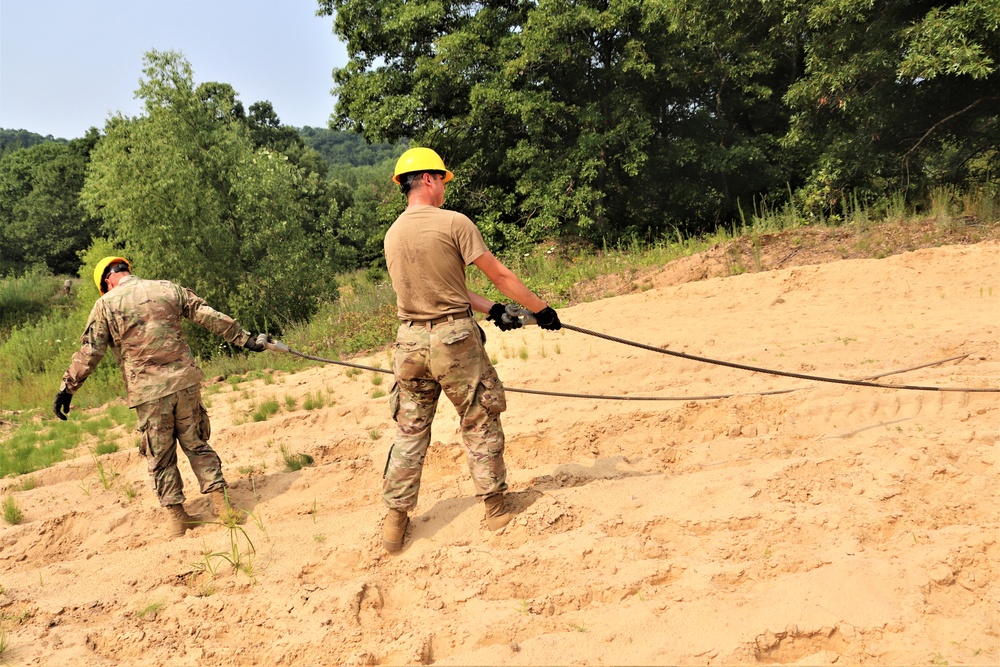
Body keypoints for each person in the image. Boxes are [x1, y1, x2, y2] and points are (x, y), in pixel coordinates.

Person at [380, 147, 562, 553]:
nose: (444, 186)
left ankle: (395, 523)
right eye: (442, 178)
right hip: (453, 342)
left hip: (409, 343)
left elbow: (447, 287)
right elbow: (499, 273)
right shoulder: (454, 223)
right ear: (428, 179)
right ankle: (496, 508)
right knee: (479, 418)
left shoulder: (393, 234)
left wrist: (494, 310)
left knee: (409, 432)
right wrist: (541, 310)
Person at [53, 256, 267, 538]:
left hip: (148, 392)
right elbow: (207, 315)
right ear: (126, 270)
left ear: (106, 281)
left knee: (161, 455)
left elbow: (91, 351)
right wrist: (246, 339)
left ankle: (178, 520)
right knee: (197, 443)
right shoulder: (167, 288)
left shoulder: (105, 304)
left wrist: (68, 388)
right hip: (185, 383)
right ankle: (223, 507)